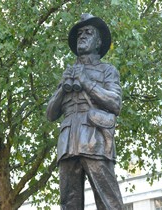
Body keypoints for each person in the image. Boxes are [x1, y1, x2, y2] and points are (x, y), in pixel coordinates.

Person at [47, 13, 124, 210]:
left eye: (88, 33)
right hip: (67, 145)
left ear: (98, 42)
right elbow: (50, 114)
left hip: (95, 141)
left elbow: (115, 103)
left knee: (109, 202)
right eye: (79, 33)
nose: (82, 36)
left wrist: (86, 82)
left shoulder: (107, 70)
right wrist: (62, 88)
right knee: (69, 204)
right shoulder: (68, 73)